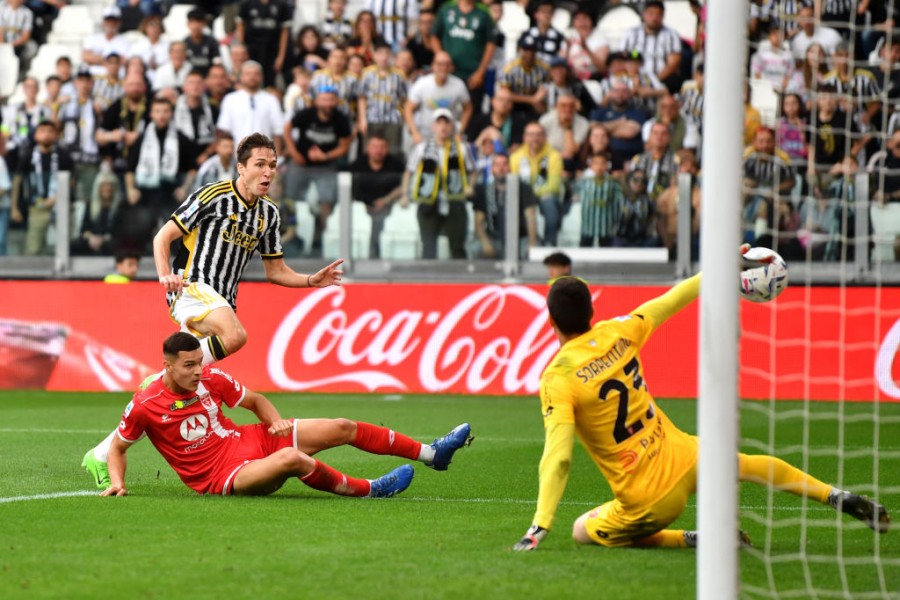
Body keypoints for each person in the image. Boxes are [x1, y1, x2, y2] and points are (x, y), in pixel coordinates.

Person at [512, 268, 890, 551]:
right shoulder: (619, 331)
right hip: (685, 455)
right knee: (746, 464)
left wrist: (540, 524)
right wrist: (723, 266)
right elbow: (673, 299)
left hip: (648, 498)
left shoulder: (558, 377)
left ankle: (693, 539)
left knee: (582, 531)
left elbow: (558, 458)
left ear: (551, 322)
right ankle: (833, 495)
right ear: (591, 309)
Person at [82, 133, 346, 489]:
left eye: (272, 165)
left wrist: (312, 280)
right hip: (192, 288)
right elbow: (163, 237)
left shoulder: (268, 214)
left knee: (171, 389)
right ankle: (167, 377)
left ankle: (100, 454)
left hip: (221, 302)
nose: (268, 172)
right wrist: (165, 276)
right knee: (235, 336)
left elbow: (276, 271)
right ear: (241, 168)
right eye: (260, 165)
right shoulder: (213, 196)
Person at [102, 332, 474, 498]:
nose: (198, 371)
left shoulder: (211, 378)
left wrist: (274, 421)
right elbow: (117, 448)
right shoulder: (145, 403)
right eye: (188, 366)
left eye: (200, 362)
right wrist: (118, 482)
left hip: (249, 440)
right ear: (166, 366)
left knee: (341, 427)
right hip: (222, 474)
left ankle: (432, 454)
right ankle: (371, 490)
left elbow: (257, 401)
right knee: (293, 459)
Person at [401, 108, 475, 259]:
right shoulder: (422, 148)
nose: (443, 127)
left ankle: (459, 281)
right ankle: (427, 279)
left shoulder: (461, 148)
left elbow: (472, 170)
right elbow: (409, 172)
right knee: (428, 244)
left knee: (457, 244)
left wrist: (470, 186)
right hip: (428, 200)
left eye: (446, 123)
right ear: (433, 126)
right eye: (439, 122)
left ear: (452, 127)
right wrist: (405, 195)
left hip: (454, 200)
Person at [10, 120, 74, 256]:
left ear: (56, 135)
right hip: (37, 207)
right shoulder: (27, 155)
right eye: (42, 131)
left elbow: (71, 182)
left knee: (64, 247)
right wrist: (14, 207)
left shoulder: (64, 156)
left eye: (50, 131)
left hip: (60, 206)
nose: (46, 135)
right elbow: (17, 180)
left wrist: (57, 198)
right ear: (36, 135)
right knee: (33, 248)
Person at [430, 0, 496, 115]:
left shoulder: (483, 14)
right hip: (449, 73)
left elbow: (491, 43)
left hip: (472, 74)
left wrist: (481, 72)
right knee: (444, 108)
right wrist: (440, 57)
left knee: (472, 111)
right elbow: (434, 35)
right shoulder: (447, 9)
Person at [472, 151, 538, 259]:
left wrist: (532, 243)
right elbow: (478, 222)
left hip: (520, 237)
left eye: (505, 164)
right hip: (494, 237)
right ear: (492, 169)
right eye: (497, 165)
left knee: (532, 253)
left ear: (510, 168)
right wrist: (485, 242)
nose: (501, 168)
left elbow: (531, 218)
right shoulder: (483, 190)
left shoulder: (523, 188)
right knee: (476, 248)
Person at [350, 133, 405, 258]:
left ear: (387, 149)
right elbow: (348, 186)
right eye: (375, 146)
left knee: (379, 219)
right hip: (362, 206)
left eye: (382, 147)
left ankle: (375, 255)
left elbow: (404, 186)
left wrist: (386, 200)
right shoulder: (358, 164)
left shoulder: (396, 164)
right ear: (368, 148)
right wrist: (362, 205)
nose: (378, 150)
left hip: (388, 205)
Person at [510, 122, 564, 246]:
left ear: (545, 137)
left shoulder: (553, 156)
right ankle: (517, 245)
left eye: (538, 135)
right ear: (524, 137)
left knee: (550, 203)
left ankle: (550, 243)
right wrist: (528, 196)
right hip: (523, 196)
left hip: (545, 194)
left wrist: (532, 194)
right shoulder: (516, 157)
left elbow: (554, 185)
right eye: (531, 135)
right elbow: (515, 183)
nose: (534, 138)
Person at [405, 51, 472, 145]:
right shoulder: (422, 84)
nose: (443, 68)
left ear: (451, 67)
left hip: (449, 135)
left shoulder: (459, 85)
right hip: (425, 135)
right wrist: (414, 132)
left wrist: (460, 132)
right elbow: (408, 108)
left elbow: (468, 108)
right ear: (433, 66)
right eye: (440, 64)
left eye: (447, 65)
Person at [619, 1, 682, 93]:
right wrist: (635, 79)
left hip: (661, 80)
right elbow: (623, 58)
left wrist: (651, 81)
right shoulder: (631, 34)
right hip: (633, 79)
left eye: (658, 14)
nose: (654, 18)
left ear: (663, 16)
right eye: (651, 13)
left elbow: (673, 64)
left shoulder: (671, 35)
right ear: (644, 14)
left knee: (673, 81)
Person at [234, 0, 291, 89]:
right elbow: (240, 25)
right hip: (251, 48)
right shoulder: (246, 3)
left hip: (272, 49)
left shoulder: (281, 4)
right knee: (249, 77)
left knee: (269, 82)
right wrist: (241, 47)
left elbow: (285, 32)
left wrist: (281, 56)